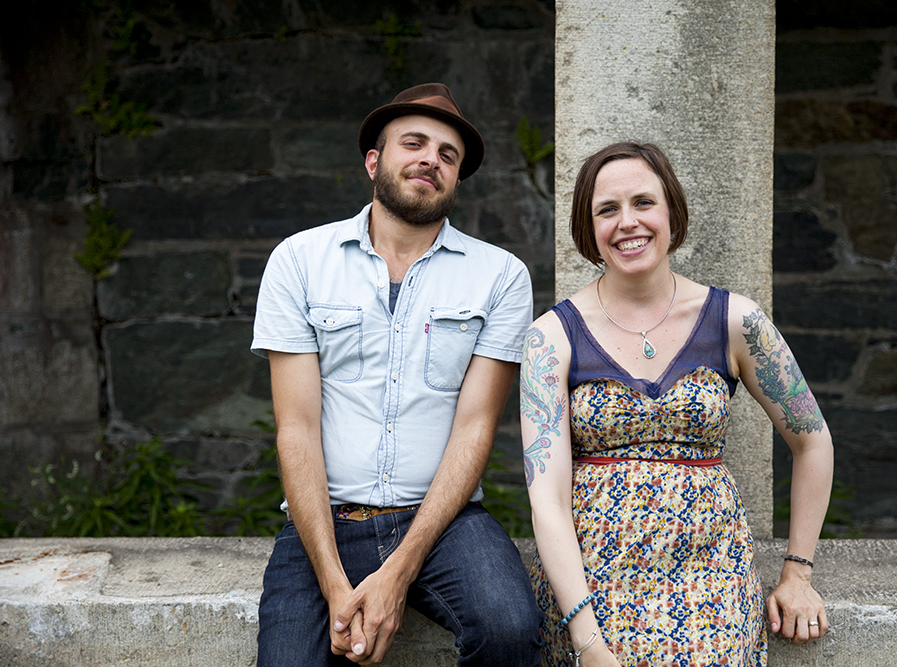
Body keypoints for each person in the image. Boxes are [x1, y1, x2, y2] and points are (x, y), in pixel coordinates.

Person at [252, 83, 542, 667]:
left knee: (512, 630)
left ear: (456, 178)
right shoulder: (299, 261)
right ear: (374, 160)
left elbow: (475, 429)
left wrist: (399, 571)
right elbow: (297, 428)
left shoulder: (500, 277)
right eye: (414, 142)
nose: (430, 159)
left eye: (447, 154)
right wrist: (336, 584)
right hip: (323, 522)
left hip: (445, 524)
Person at [520, 142, 834, 666]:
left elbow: (813, 440)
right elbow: (546, 500)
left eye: (643, 202)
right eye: (607, 209)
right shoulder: (551, 339)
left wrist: (797, 572)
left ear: (671, 211)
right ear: (587, 227)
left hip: (711, 577)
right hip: (594, 585)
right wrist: (587, 640)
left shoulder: (736, 321)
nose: (628, 222)